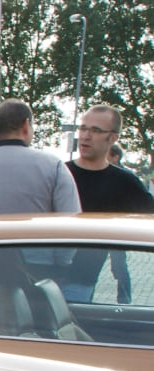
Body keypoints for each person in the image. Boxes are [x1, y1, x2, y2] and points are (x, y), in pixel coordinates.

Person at [61, 105, 154, 301]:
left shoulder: (125, 182)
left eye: (95, 131)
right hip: (46, 277)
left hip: (84, 279)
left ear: (112, 138)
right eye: (83, 128)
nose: (85, 136)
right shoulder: (59, 174)